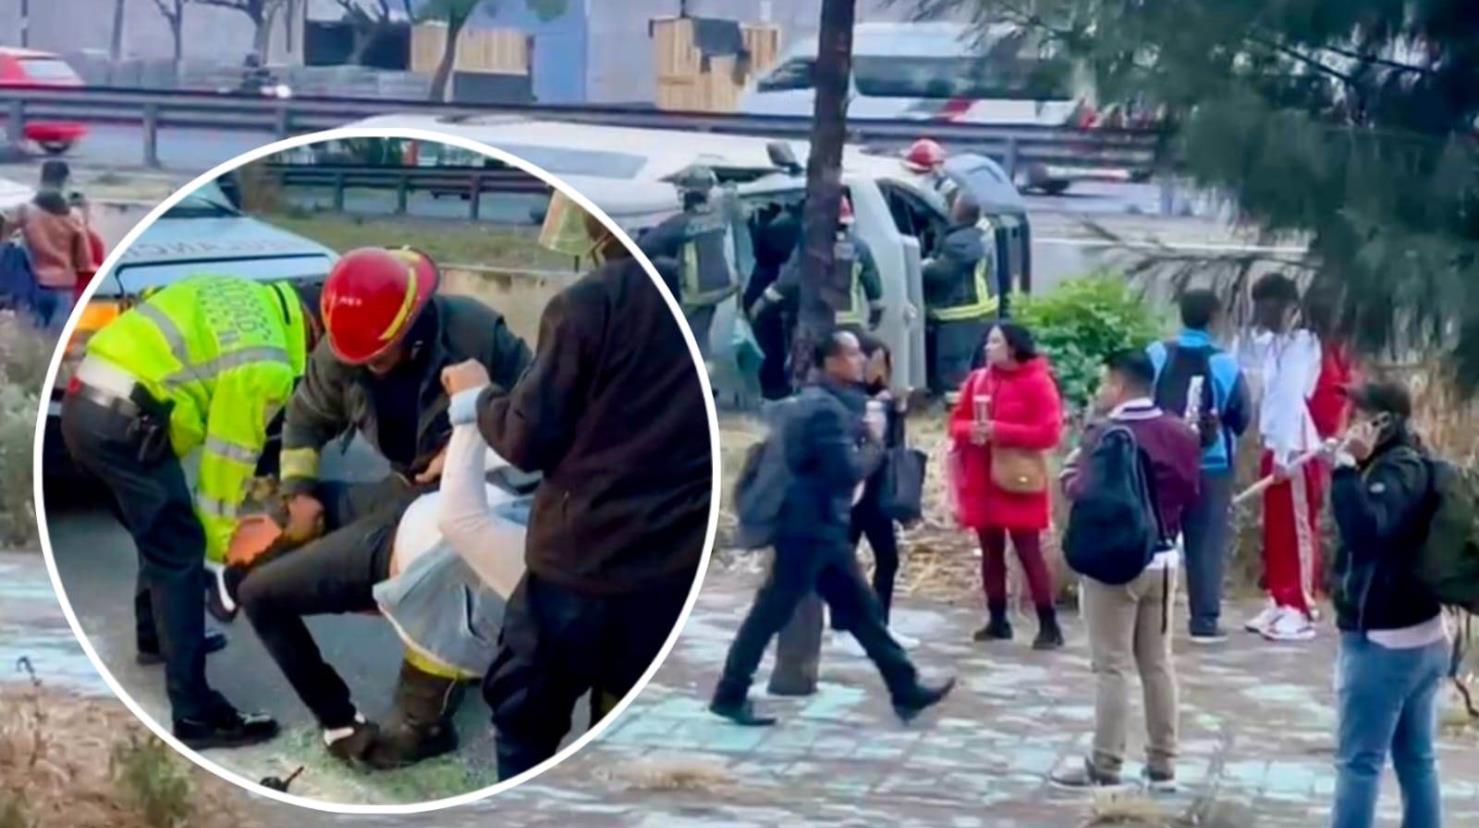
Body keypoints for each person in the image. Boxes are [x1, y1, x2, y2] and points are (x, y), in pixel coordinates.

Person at [443, 190, 711, 780]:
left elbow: (527, 439)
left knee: (525, 722)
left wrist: (477, 399)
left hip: (582, 564)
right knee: (625, 732)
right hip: (671, 564)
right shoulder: (701, 293)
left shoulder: (589, 305)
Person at [240, 247, 531, 765]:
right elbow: (304, 421)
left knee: (442, 577)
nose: (365, 368)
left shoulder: (478, 336)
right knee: (261, 558)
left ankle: (428, 708)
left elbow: (541, 419)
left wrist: (474, 442)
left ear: (413, 325)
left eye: (378, 356)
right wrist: (300, 492)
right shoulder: (342, 352)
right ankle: (338, 720)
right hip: (403, 488)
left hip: (479, 495)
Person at [59, 274, 323, 749]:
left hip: (85, 402)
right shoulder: (268, 363)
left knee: (161, 530)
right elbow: (226, 467)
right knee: (181, 554)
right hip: (125, 421)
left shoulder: (242, 293)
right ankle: (196, 713)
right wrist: (223, 560)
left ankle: (155, 636)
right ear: (314, 331)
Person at [709, 329, 955, 727]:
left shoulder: (822, 403)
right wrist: (874, 447)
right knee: (772, 612)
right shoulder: (824, 410)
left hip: (819, 526)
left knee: (859, 611)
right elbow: (844, 472)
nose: (861, 361)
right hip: (809, 527)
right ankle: (730, 692)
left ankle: (904, 686)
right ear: (832, 362)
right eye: (853, 355)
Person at [1049, 350, 1201, 790]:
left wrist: (1071, 473)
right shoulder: (1180, 432)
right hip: (1165, 558)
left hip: (1114, 562)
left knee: (1111, 664)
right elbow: (1192, 491)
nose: (1100, 391)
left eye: (1103, 381)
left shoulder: (1106, 434)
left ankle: (1106, 762)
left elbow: (1082, 490)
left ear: (1118, 383)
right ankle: (1162, 761)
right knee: (1157, 663)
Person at [1327, 380, 1446, 828]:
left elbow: (1365, 534)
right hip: (1420, 638)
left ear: (1381, 423)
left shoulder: (1396, 472)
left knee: (1359, 763)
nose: (1344, 421)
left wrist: (1343, 468)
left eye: (1354, 412)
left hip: (1385, 643)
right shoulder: (1409, 461)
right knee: (1417, 760)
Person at [949, 322, 1065, 649]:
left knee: (1028, 551)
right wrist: (970, 429)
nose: (988, 347)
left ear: (1012, 347)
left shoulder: (1038, 383)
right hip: (981, 476)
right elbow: (955, 422)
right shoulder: (979, 381)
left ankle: (1048, 623)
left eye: (995, 341)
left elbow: (1048, 433)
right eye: (988, 342)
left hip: (1019, 478)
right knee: (990, 551)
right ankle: (997, 618)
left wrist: (1000, 431)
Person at [1147, 289, 1250, 642]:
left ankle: (1150, 615)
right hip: (1211, 464)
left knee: (1157, 536)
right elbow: (1241, 416)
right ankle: (1204, 619)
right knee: (1206, 541)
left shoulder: (1157, 354)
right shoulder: (1225, 363)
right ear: (1214, 319)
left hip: (1159, 462)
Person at [1235, 274, 1324, 642]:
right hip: (1276, 446)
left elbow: (1292, 400)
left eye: (1268, 307)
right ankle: (1279, 597)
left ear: (1288, 306)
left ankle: (1301, 606)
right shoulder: (1272, 344)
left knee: (1297, 529)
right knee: (1274, 528)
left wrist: (1287, 454)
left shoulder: (1305, 344)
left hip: (1298, 449)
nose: (1262, 315)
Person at [638, 164, 743, 359]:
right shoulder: (720, 214)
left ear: (685, 195)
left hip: (696, 293)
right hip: (722, 288)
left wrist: (671, 265)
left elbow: (644, 248)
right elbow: (730, 194)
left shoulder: (680, 223)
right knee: (701, 336)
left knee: (686, 341)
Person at [751, 195, 884, 335]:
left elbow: (787, 281)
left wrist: (762, 303)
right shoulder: (860, 248)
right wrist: (876, 310)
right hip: (849, 327)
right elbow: (872, 284)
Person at [5, 160, 93, 329]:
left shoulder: (25, 211)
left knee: (33, 338)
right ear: (65, 181)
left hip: (33, 285)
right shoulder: (74, 217)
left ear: (42, 179)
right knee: (57, 343)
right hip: (63, 287)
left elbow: (5, 232)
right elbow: (84, 261)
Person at [923, 195, 997, 396]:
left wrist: (921, 267)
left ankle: (954, 413)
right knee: (978, 369)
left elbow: (941, 274)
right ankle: (977, 407)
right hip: (985, 311)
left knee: (953, 371)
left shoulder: (958, 242)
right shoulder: (982, 230)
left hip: (960, 314)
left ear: (958, 214)